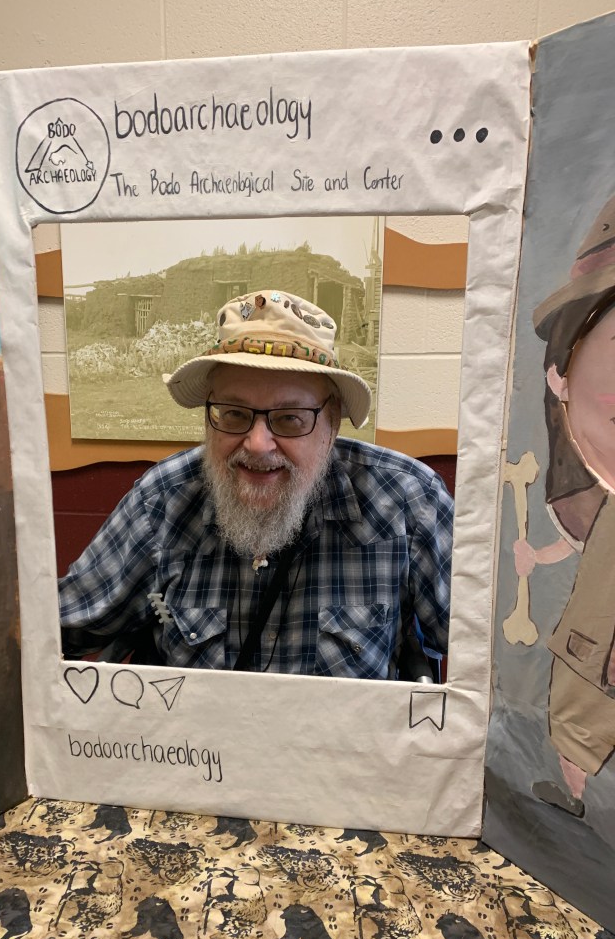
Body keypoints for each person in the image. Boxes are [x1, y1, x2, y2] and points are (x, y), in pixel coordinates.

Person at [59, 289, 453, 679]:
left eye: (289, 418)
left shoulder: (408, 501)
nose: (258, 444)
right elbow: (59, 629)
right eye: (233, 413)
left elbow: (490, 650)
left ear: (331, 424)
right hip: (196, 742)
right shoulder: (162, 501)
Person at [514, 194, 615, 816]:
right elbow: (581, 541)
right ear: (562, 376)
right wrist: (535, 553)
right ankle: (576, 793)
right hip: (590, 641)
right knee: (578, 706)